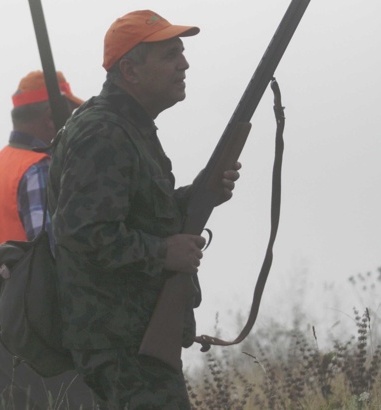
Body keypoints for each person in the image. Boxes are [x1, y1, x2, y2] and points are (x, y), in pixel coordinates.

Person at [47, 10, 242, 409]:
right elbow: (82, 232)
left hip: (131, 341)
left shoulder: (126, 127)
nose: (184, 64)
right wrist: (163, 252)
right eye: (170, 55)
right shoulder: (105, 131)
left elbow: (139, 214)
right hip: (121, 346)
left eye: (181, 53)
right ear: (130, 71)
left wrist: (199, 195)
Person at [0, 70, 96, 409]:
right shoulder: (37, 167)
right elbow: (53, 254)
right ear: (51, 119)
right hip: (24, 333)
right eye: (67, 115)